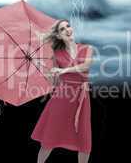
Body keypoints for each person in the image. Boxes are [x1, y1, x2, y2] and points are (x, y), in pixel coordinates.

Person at [31, 19, 94, 163]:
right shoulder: (57, 54)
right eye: (62, 29)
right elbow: (53, 81)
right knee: (49, 139)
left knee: (83, 141)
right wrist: (40, 66)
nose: (67, 29)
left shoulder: (87, 48)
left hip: (81, 98)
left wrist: (63, 70)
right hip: (61, 97)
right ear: (58, 36)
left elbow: (86, 65)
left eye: (68, 26)